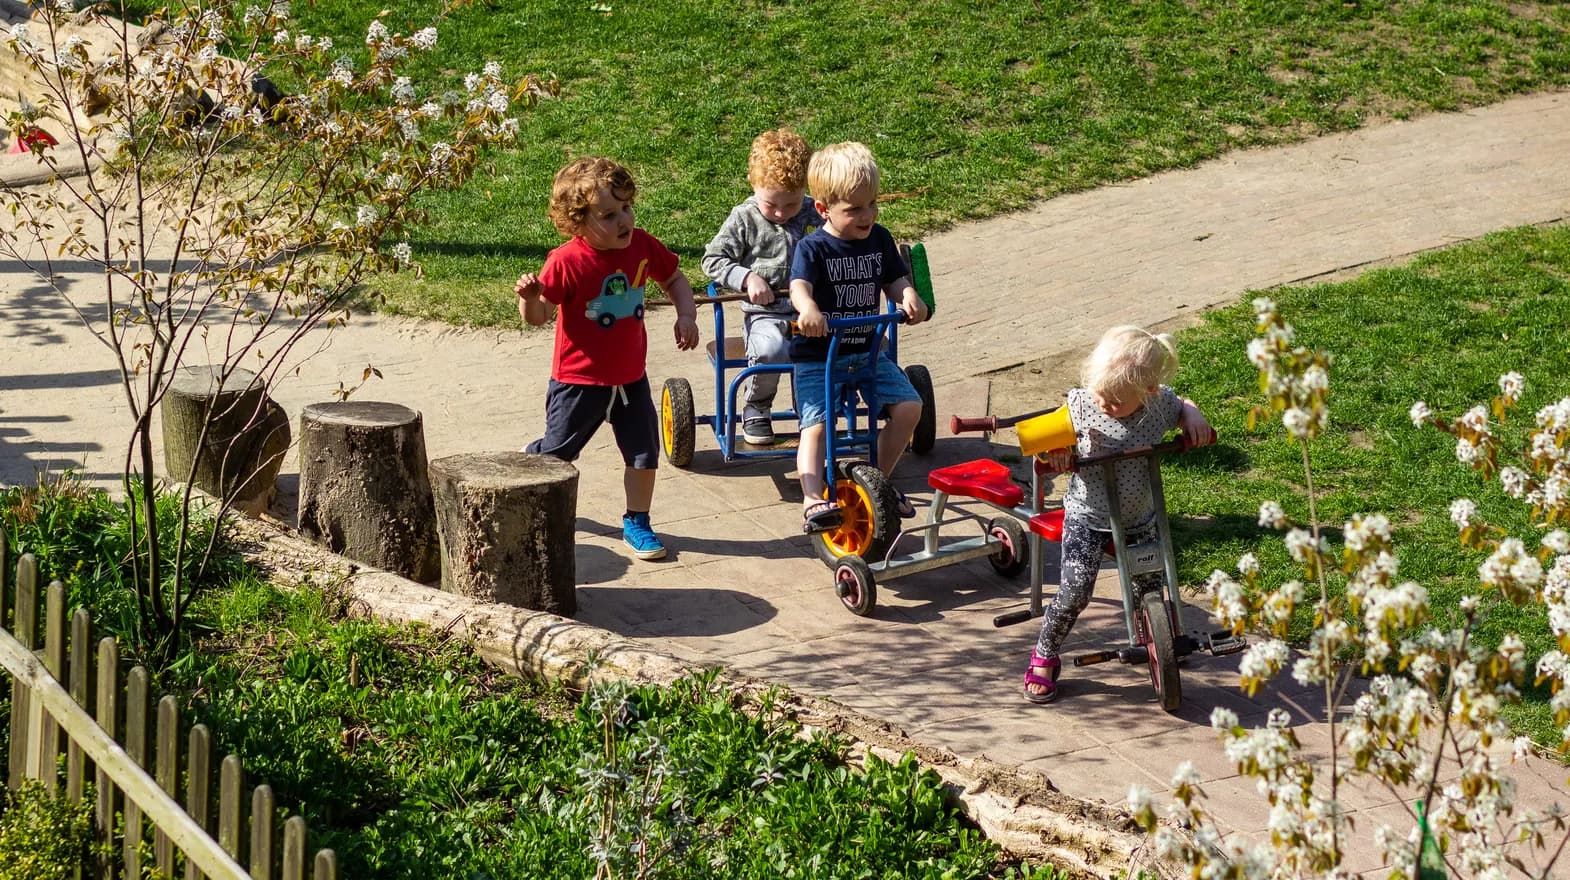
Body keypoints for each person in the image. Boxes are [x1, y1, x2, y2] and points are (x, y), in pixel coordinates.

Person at [515, 157, 700, 561]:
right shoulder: (565, 261)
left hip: (631, 378)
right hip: (578, 382)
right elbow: (540, 318)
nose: (624, 220)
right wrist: (529, 299)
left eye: (627, 208)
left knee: (643, 452)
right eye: (609, 214)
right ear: (577, 221)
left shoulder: (642, 245)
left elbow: (674, 278)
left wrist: (686, 314)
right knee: (557, 456)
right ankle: (535, 467)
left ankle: (637, 520)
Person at [1022, 325, 1216, 704]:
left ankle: (1161, 642)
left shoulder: (1159, 406)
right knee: (1075, 591)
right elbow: (1043, 445)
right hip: (1088, 517)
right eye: (1101, 393)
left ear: (1148, 392)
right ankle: (1044, 653)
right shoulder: (1079, 405)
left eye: (1115, 400)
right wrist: (1057, 452)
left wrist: (1193, 417)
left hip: (1140, 517)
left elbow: (1183, 404)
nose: (1104, 403)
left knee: (1150, 585)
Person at [788, 142, 928, 532]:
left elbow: (894, 279)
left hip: (867, 351)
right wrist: (808, 309)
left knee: (909, 408)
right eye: (853, 209)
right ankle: (813, 497)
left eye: (871, 205)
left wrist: (908, 295)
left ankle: (878, 480)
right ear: (823, 209)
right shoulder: (813, 247)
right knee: (816, 426)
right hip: (819, 356)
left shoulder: (879, 239)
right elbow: (798, 285)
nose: (866, 216)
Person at [701, 129, 824, 446]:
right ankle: (756, 407)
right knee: (771, 351)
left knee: (821, 350)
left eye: (791, 203)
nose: (782, 213)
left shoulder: (814, 211)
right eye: (772, 204)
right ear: (752, 183)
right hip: (764, 314)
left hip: (810, 309)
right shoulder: (744, 218)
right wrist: (746, 277)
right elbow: (712, 259)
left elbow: (838, 238)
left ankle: (810, 410)